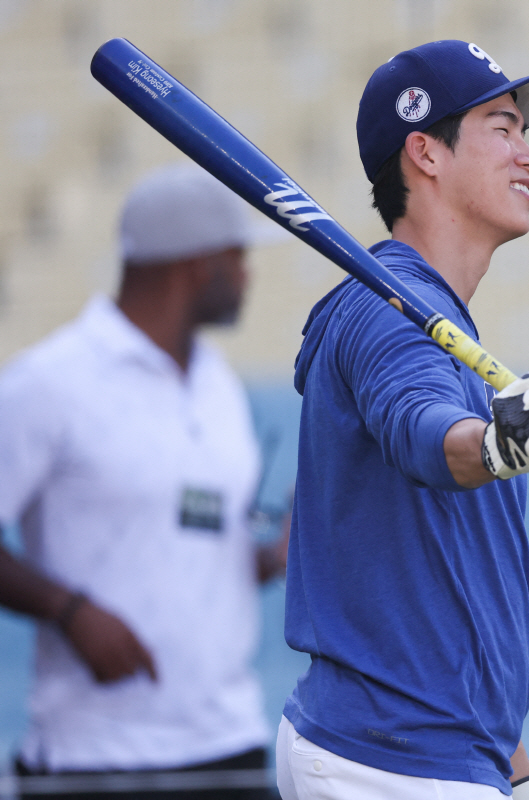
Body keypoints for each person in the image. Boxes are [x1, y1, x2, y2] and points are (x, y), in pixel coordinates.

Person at [275, 40, 529, 800]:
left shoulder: (434, 314)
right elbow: (428, 434)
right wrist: (497, 445)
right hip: (390, 767)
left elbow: (458, 600)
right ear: (426, 152)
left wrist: (522, 773)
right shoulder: (386, 311)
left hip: (436, 758)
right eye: (504, 128)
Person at [0, 163, 289, 800]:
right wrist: (68, 611)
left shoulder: (218, 385)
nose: (248, 276)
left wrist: (277, 555)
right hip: (93, 760)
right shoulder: (49, 384)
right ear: (195, 264)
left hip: (229, 748)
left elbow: (201, 543)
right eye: (238, 258)